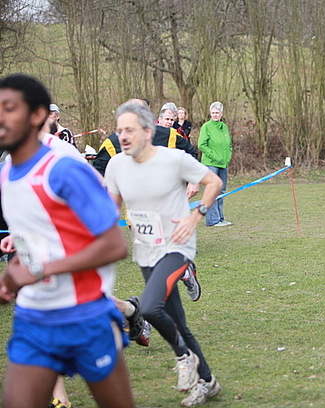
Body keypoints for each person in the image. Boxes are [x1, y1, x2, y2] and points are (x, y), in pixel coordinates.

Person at [0, 74, 134, 408]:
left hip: (85, 316)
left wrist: (40, 270)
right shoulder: (5, 173)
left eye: (9, 108)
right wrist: (12, 275)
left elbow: (115, 245)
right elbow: (38, 240)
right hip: (34, 319)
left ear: (38, 115)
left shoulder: (64, 168)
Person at [105, 101, 224, 407]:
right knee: (178, 322)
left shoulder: (174, 159)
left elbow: (214, 182)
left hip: (177, 246)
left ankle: (184, 357)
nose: (122, 136)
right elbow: (108, 211)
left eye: (129, 130)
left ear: (148, 131)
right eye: (119, 130)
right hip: (146, 250)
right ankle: (208, 382)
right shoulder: (116, 166)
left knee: (149, 307)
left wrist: (196, 215)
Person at [198, 101, 232, 227]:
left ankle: (220, 217)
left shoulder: (224, 127)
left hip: (223, 164)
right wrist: (214, 156)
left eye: (217, 113)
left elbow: (228, 144)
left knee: (221, 190)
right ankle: (212, 219)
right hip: (211, 163)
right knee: (212, 189)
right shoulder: (206, 127)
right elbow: (202, 144)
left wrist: (228, 156)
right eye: (213, 113)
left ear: (221, 113)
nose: (215, 115)